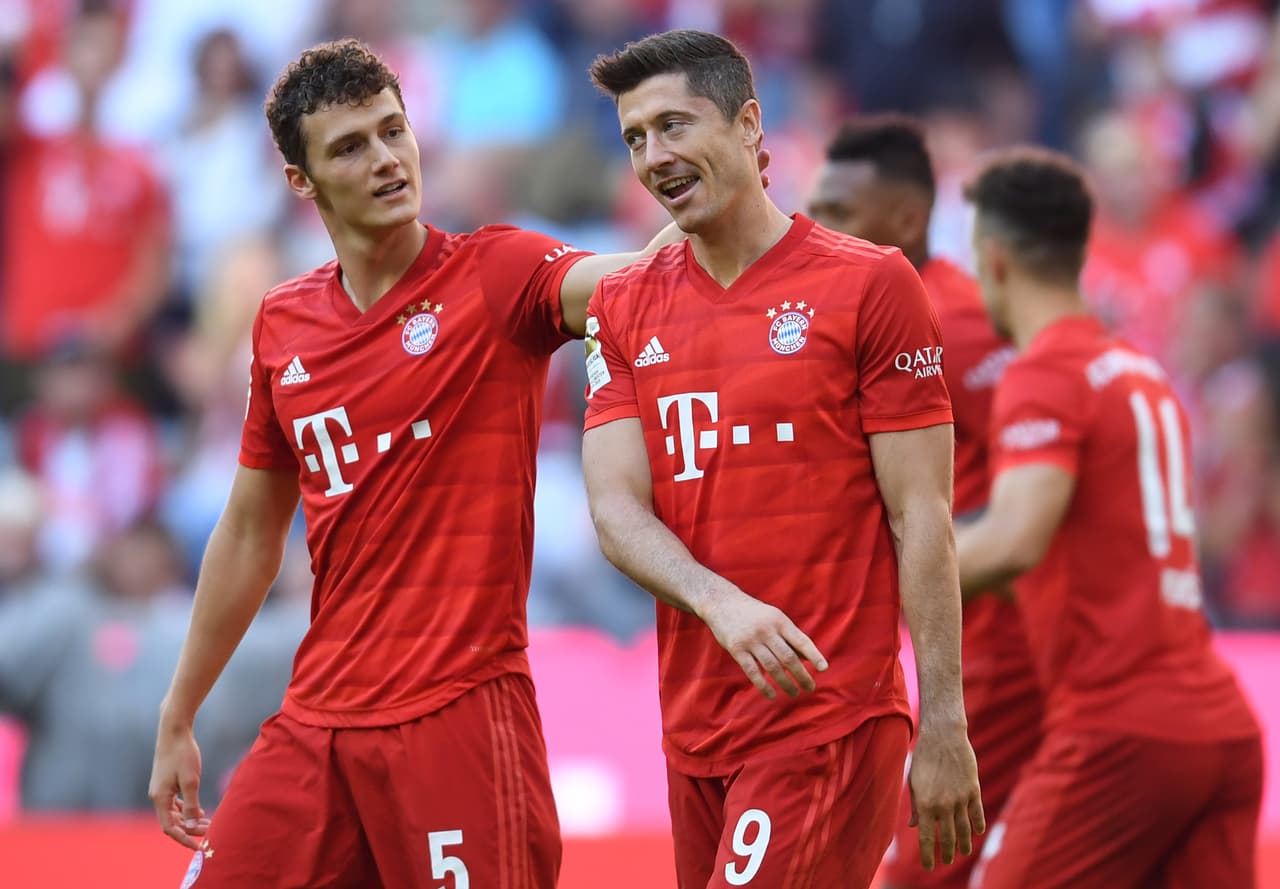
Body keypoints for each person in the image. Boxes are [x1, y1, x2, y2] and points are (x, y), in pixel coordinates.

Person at [147, 38, 698, 889]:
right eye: (350, 146)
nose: (385, 160)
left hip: (461, 717)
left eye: (392, 130)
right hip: (317, 723)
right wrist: (179, 708)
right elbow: (251, 530)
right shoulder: (283, 325)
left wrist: (711, 182)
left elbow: (642, 278)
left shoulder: (493, 274)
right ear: (302, 181)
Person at [581, 30, 982, 889]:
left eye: (674, 125)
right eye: (635, 138)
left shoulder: (871, 286)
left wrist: (943, 717)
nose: (654, 156)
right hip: (693, 727)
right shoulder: (621, 306)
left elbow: (923, 516)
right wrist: (718, 602)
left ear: (750, 123)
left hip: (828, 717)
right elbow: (615, 510)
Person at [957, 147, 1263, 889]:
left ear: (994, 259)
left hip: (1121, 727)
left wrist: (871, 568)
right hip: (1218, 720)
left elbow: (1016, 539)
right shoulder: (1137, 368)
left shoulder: (1044, 373)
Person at [806, 115, 1041, 889]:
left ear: (907, 219)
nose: (817, 227)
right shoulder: (867, 309)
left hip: (990, 650)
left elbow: (1046, 485)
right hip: (920, 645)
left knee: (918, 871)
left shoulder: (959, 321)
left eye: (840, 211)